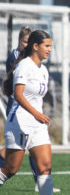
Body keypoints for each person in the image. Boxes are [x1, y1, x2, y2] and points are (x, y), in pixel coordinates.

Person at [0, 30, 54, 194]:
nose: (50, 49)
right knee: (10, 169)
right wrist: (36, 113)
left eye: (51, 46)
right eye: (47, 46)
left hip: (38, 127)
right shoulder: (24, 65)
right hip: (19, 123)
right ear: (35, 46)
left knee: (45, 168)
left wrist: (39, 115)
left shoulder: (43, 69)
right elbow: (18, 95)